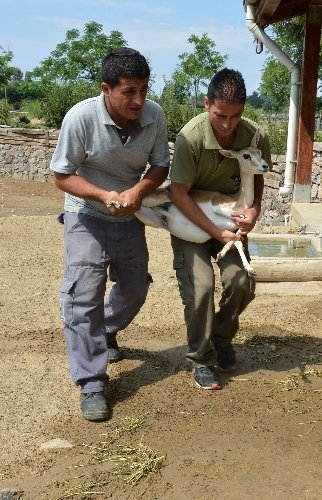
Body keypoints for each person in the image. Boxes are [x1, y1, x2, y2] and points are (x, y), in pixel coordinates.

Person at [50, 47, 170, 421]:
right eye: (129, 91)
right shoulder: (80, 118)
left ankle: (104, 330)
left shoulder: (155, 116)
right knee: (82, 293)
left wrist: (138, 192)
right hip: (86, 214)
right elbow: (62, 175)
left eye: (144, 90)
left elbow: (161, 165)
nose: (139, 100)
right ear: (107, 89)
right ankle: (92, 383)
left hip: (129, 215)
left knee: (136, 287)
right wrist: (104, 195)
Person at [169, 68, 272, 390]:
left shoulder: (255, 137)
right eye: (220, 115)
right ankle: (200, 358)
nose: (227, 124)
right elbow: (178, 193)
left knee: (242, 282)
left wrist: (254, 211)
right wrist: (215, 232)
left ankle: (222, 338)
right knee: (201, 288)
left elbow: (257, 179)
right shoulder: (192, 137)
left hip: (231, 220)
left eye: (236, 116)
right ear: (206, 104)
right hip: (192, 222)